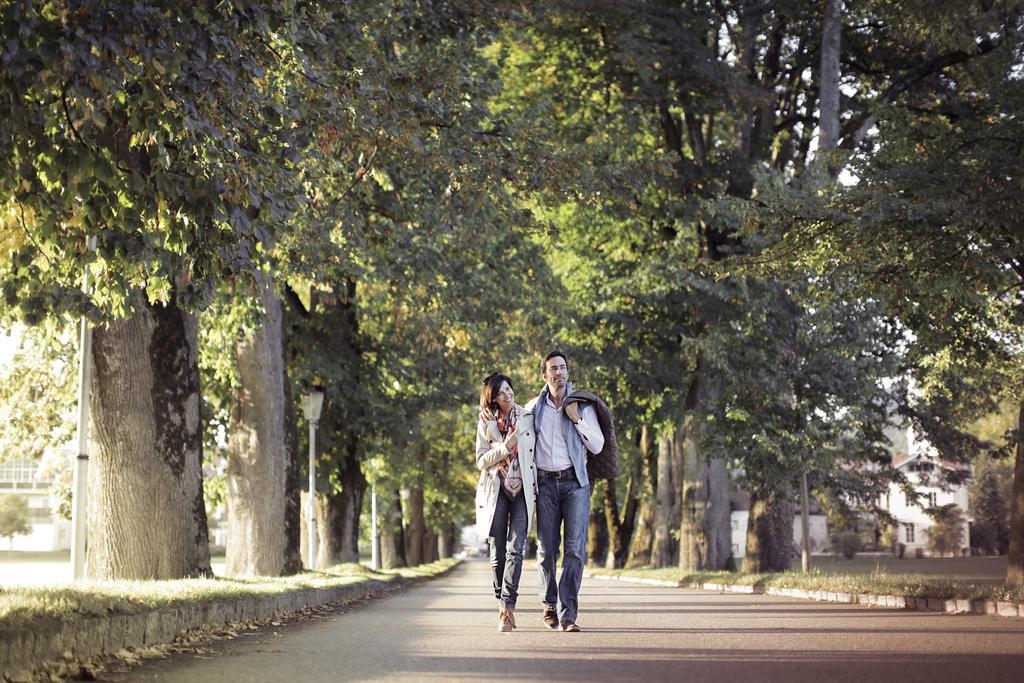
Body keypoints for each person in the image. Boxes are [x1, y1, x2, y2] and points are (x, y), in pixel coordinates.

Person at [519, 350, 604, 632]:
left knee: (575, 551)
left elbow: (598, 446)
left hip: (575, 484)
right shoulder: (532, 408)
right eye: (553, 368)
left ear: (568, 372)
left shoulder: (582, 406)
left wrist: (577, 419)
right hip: (544, 485)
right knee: (545, 550)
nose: (559, 372)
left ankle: (569, 615)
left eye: (563, 367)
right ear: (545, 376)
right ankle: (549, 604)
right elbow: (519, 439)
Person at [475, 372, 537, 633]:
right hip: (497, 489)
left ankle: (507, 608)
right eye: (501, 392)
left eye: (509, 389)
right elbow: (481, 460)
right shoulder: (486, 423)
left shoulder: (527, 417)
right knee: (497, 553)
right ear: (493, 399)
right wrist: (505, 445)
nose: (508, 395)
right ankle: (502, 601)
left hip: (523, 489)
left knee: (516, 549)